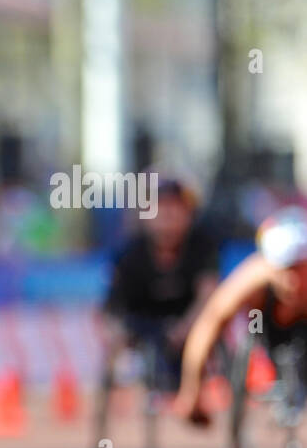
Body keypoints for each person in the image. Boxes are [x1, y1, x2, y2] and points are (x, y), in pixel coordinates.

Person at [175, 206, 307, 425]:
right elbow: (208, 325)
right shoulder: (252, 280)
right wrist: (192, 391)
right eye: (286, 268)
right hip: (269, 335)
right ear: (270, 265)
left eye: (300, 267)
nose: (293, 279)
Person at [101, 173, 220, 394]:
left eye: (175, 208)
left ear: (188, 213)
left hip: (188, 323)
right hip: (143, 322)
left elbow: (209, 294)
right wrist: (118, 340)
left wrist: (186, 329)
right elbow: (112, 307)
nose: (167, 216)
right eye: (159, 208)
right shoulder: (129, 252)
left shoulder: (203, 246)